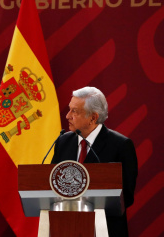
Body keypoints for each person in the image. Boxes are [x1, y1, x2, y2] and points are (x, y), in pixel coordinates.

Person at [51, 86, 138, 237]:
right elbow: (50, 184)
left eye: (74, 111)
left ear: (93, 117)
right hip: (66, 228)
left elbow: (126, 197)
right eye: (69, 109)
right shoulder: (63, 141)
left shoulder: (121, 145)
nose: (67, 116)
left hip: (105, 229)